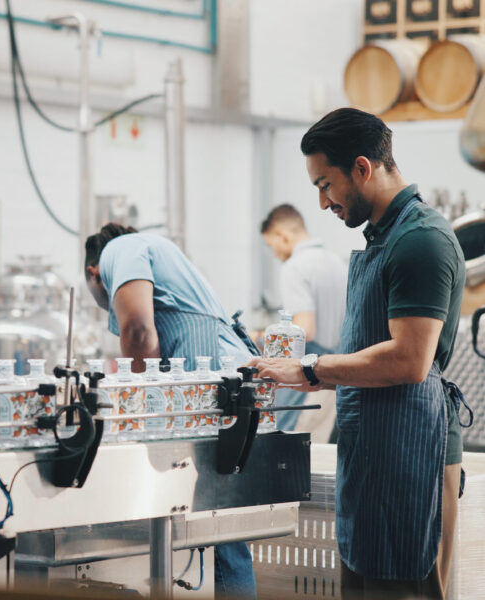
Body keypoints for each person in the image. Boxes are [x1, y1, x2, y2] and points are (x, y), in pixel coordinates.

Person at [249, 108, 471, 600]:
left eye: (325, 184)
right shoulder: (384, 237)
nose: (323, 201)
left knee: (403, 587)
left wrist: (309, 369)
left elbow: (409, 360)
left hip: (412, 455)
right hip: (375, 451)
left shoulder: (420, 240)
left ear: (363, 168)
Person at [84, 223, 257, 599]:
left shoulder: (120, 250)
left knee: (221, 526)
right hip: (224, 384)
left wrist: (139, 406)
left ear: (92, 272)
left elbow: (139, 330)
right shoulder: (157, 252)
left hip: (210, 386)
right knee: (223, 526)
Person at [260, 204, 347, 441]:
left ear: (281, 235)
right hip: (336, 378)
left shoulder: (294, 267)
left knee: (287, 450)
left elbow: (304, 330)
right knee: (317, 451)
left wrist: (259, 337)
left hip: (307, 380)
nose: (275, 253)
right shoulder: (337, 263)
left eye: (271, 245)